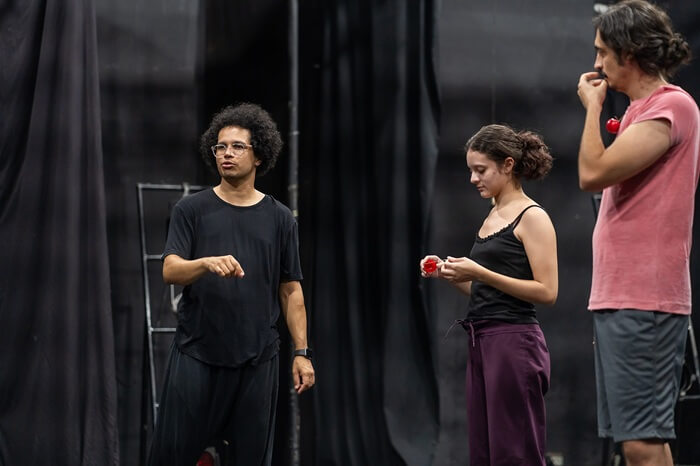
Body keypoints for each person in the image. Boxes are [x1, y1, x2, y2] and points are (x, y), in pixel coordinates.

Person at [148, 103, 315, 466]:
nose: (226, 153)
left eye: (238, 146)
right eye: (220, 146)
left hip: (257, 358)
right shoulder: (191, 210)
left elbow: (291, 290)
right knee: (173, 454)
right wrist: (204, 263)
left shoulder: (280, 218)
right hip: (198, 352)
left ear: (259, 155)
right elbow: (170, 270)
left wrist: (301, 352)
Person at [576, 1, 699, 465]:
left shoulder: (671, 105)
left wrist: (592, 109)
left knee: (642, 443)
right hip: (622, 296)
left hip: (645, 297)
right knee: (635, 441)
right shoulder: (639, 111)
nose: (596, 63)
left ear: (628, 54)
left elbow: (592, 173)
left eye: (602, 52)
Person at [421, 124, 558, 465]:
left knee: (515, 451)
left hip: (514, 341)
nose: (473, 178)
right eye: (471, 170)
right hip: (483, 340)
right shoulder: (493, 215)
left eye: (481, 170)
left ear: (508, 165)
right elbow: (485, 290)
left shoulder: (532, 216)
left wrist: (480, 272)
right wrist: (450, 273)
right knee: (485, 451)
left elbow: (547, 291)